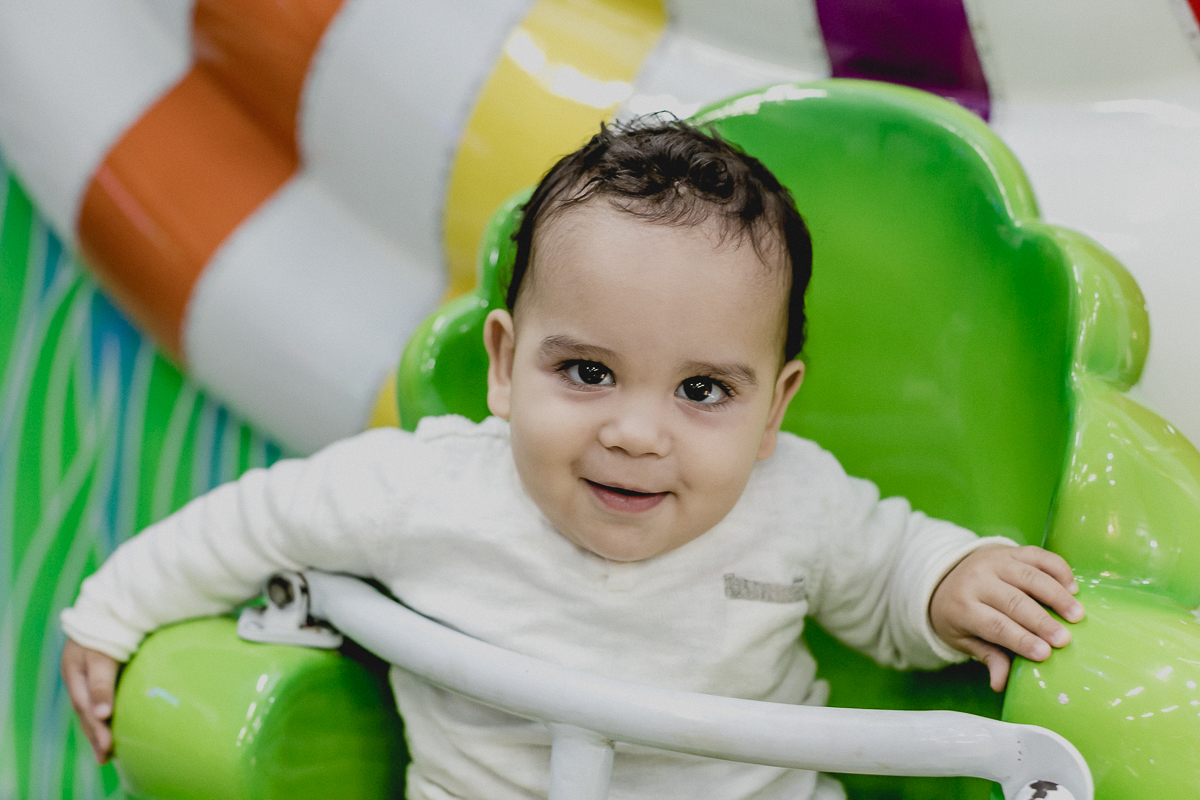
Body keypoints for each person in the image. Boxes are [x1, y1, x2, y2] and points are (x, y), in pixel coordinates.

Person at [61, 118, 1084, 800]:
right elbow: (252, 520)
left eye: (701, 391)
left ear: (774, 409)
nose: (637, 433)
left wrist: (951, 580)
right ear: (505, 366)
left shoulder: (796, 500)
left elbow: (888, 572)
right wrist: (110, 614)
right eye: (588, 370)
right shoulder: (423, 487)